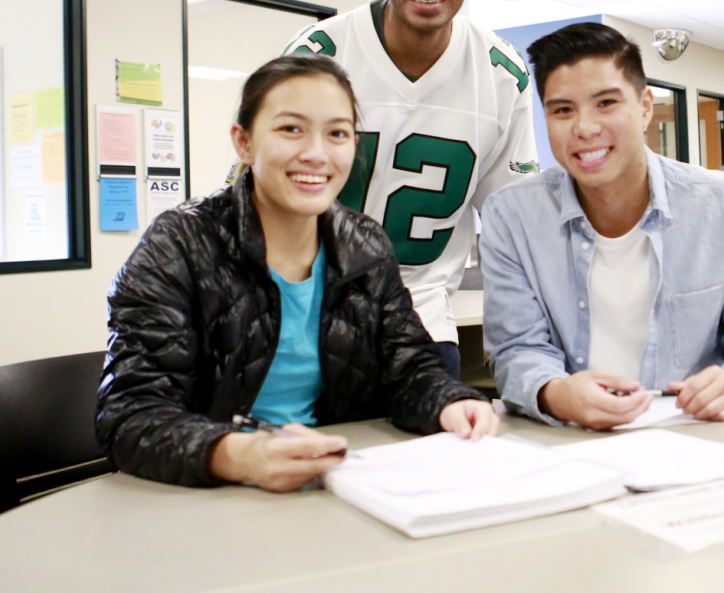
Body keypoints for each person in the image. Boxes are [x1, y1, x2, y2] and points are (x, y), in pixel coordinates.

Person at [98, 55, 499, 492]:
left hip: (336, 484)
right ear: (244, 142)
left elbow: (410, 368)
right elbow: (130, 414)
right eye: (291, 129)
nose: (316, 153)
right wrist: (240, 455)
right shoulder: (180, 244)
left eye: (338, 133)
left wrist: (450, 402)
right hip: (206, 491)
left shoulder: (364, 244)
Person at [283, 0, 538, 378]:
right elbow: (260, 200)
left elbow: (515, 222)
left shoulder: (500, 74)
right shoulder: (317, 57)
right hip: (308, 317)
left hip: (421, 322)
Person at [481, 22, 724, 431]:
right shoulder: (511, 216)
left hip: (698, 432)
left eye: (606, 103)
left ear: (645, 106)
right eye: (563, 110)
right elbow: (516, 348)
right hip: (569, 438)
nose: (585, 128)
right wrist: (556, 393)